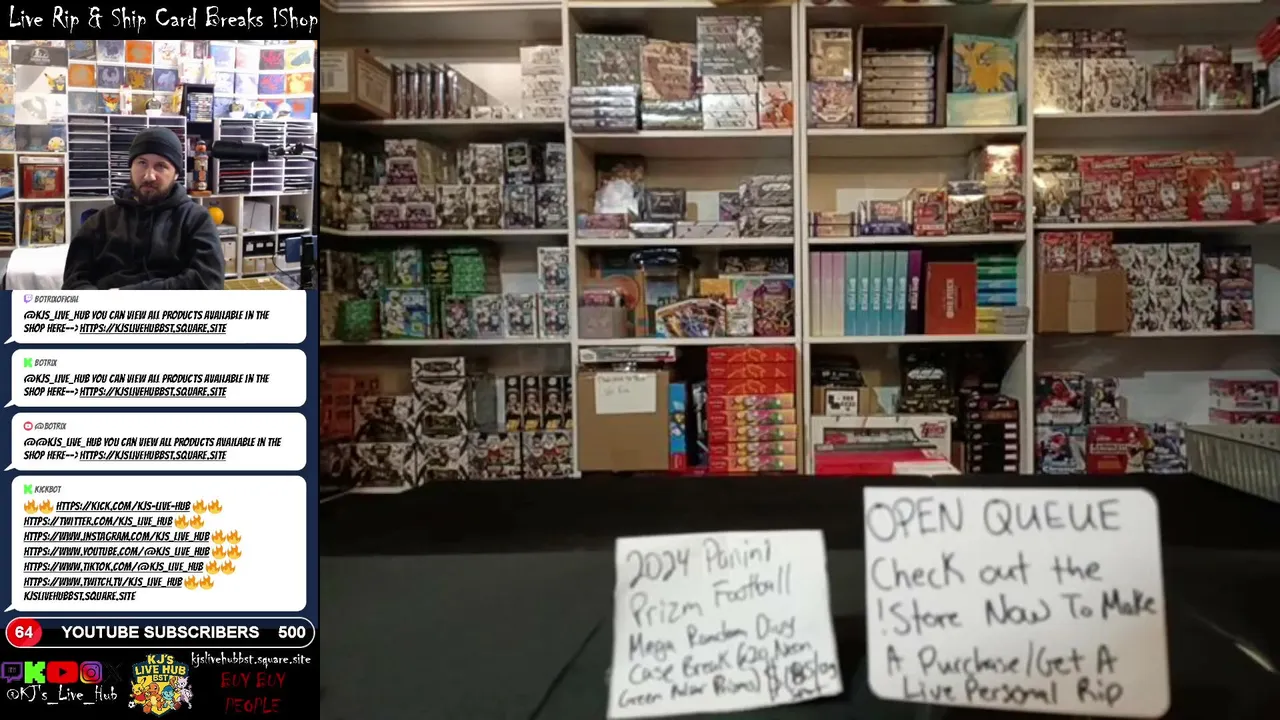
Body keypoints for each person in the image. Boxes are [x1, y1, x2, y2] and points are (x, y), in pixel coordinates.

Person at [62, 127, 224, 290]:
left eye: (161, 166)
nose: (149, 176)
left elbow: (208, 283)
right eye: (142, 163)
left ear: (176, 174)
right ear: (131, 167)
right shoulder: (100, 223)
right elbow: (73, 282)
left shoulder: (196, 220)